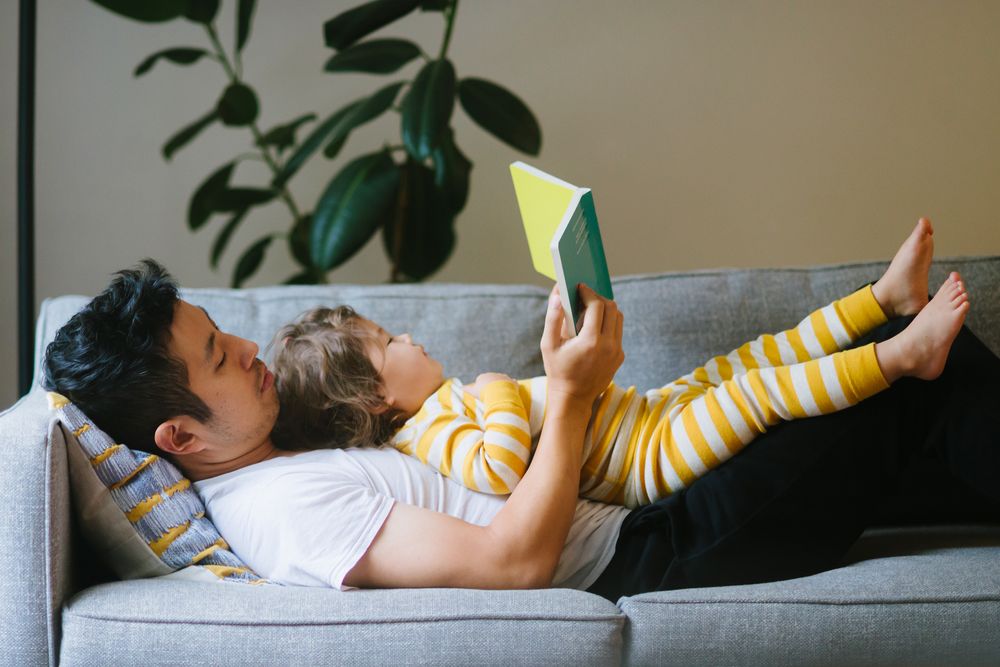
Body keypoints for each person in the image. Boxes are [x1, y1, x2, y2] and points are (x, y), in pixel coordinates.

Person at [41, 218, 1000, 599]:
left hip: (644, 510)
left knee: (888, 381)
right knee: (930, 372)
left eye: (226, 333)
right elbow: (515, 559)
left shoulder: (281, 453)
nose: (250, 349)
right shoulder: (281, 511)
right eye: (219, 356)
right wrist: (572, 394)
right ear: (180, 437)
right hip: (655, 554)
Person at [270, 218, 964, 509]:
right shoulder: (428, 435)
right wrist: (498, 390)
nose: (410, 338)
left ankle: (883, 298)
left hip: (651, 414)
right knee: (760, 389)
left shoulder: (442, 402)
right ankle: (903, 356)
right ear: (375, 403)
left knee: (749, 357)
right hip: (647, 462)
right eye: (390, 344)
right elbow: (503, 469)